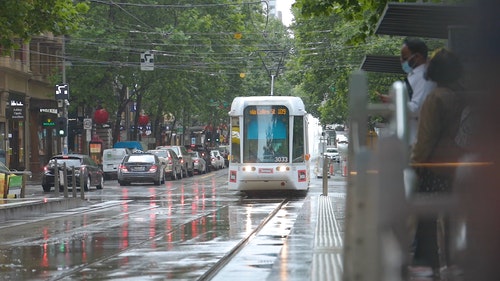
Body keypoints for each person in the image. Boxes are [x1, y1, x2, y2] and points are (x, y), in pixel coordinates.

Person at [409, 48, 466, 277]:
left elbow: (426, 136)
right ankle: (452, 259)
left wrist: (416, 162)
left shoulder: (434, 98)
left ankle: (427, 261)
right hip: (455, 160)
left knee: (427, 213)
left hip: (433, 163)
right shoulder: (457, 96)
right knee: (451, 213)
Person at [379, 37, 436, 145]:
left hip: (418, 140)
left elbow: (418, 108)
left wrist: (395, 103)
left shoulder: (424, 77)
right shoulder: (414, 76)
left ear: (418, 56)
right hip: (410, 139)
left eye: (405, 57)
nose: (401, 60)